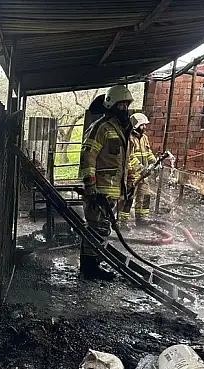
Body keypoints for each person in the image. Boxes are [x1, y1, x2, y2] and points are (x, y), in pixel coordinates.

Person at [78, 85, 133, 280]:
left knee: (102, 229)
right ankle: (89, 269)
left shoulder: (121, 129)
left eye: (127, 105)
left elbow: (124, 161)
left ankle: (92, 266)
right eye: (121, 105)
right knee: (95, 228)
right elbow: (88, 156)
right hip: (99, 190)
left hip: (112, 191)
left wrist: (128, 186)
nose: (125, 109)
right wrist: (90, 187)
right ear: (111, 105)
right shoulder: (101, 127)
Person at [120, 113, 156, 225]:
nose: (145, 127)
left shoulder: (144, 138)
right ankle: (123, 222)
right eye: (142, 125)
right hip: (133, 175)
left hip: (144, 175)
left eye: (145, 125)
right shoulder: (129, 138)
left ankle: (141, 219)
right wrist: (141, 169)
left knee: (145, 195)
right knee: (129, 198)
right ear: (135, 125)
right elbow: (130, 157)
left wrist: (154, 161)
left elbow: (148, 152)